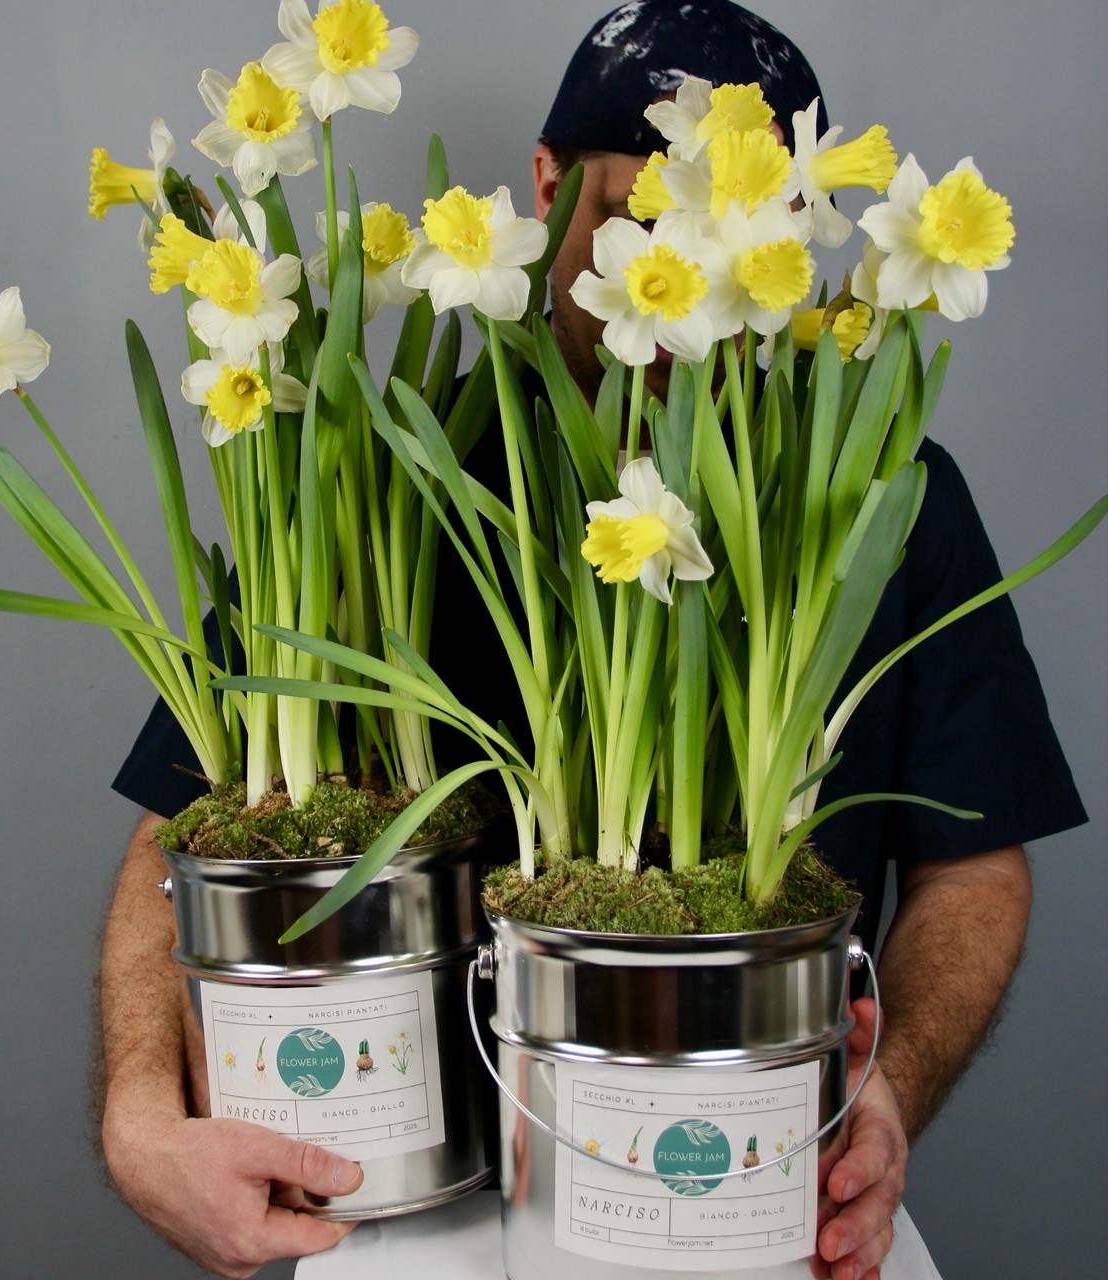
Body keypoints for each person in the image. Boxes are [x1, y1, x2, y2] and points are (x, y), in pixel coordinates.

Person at [98, 4, 1087, 1278]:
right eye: (645, 218)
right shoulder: (395, 465)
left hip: (756, 1166)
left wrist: (882, 1092)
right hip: (409, 1189)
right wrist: (141, 1117)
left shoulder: (883, 488)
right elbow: (187, 822)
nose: (692, 271)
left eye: (749, 229)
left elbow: (971, 866)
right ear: (548, 186)